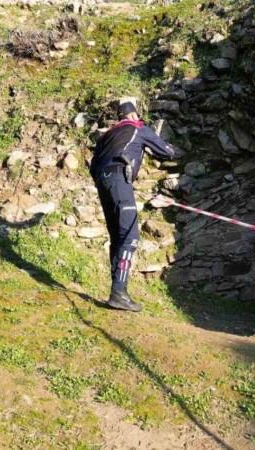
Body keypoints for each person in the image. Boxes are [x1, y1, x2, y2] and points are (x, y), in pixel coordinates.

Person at [90, 101, 176, 312]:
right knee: (129, 236)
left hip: (102, 182)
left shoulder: (108, 135)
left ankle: (117, 290)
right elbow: (167, 152)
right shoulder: (138, 127)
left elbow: (93, 166)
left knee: (117, 237)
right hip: (119, 180)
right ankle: (118, 293)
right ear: (135, 114)